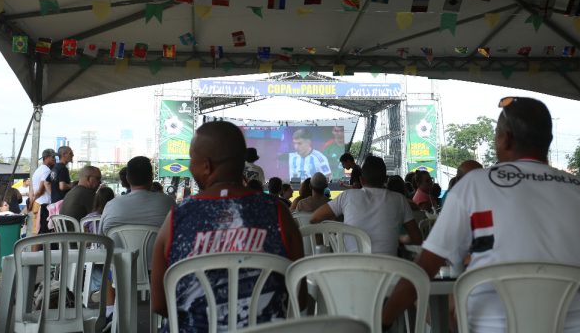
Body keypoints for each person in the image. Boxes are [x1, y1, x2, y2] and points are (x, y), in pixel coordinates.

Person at [382, 97, 580, 332]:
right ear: (547, 142)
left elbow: (422, 271)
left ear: (506, 139)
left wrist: (378, 321)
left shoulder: (473, 185)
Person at [151, 121, 304, 331]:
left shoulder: (177, 217)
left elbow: (159, 304)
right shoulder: (278, 213)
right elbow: (300, 297)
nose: (189, 166)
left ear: (207, 166)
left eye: (191, 160)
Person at [310, 155, 422, 256]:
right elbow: (417, 238)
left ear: (361, 180)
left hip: (350, 271)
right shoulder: (400, 200)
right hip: (388, 273)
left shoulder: (347, 196)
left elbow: (315, 218)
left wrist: (335, 235)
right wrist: (400, 239)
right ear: (385, 180)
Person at [99, 156, 174, 235]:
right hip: (157, 247)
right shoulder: (168, 203)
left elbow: (101, 238)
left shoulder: (111, 205)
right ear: (151, 178)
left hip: (115, 247)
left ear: (127, 178)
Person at [31, 148, 57, 234]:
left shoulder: (38, 170)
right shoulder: (46, 171)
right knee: (41, 234)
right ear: (46, 158)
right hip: (43, 205)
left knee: (36, 231)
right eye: (52, 157)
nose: (54, 159)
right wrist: (32, 200)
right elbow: (40, 190)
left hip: (38, 203)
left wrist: (32, 201)